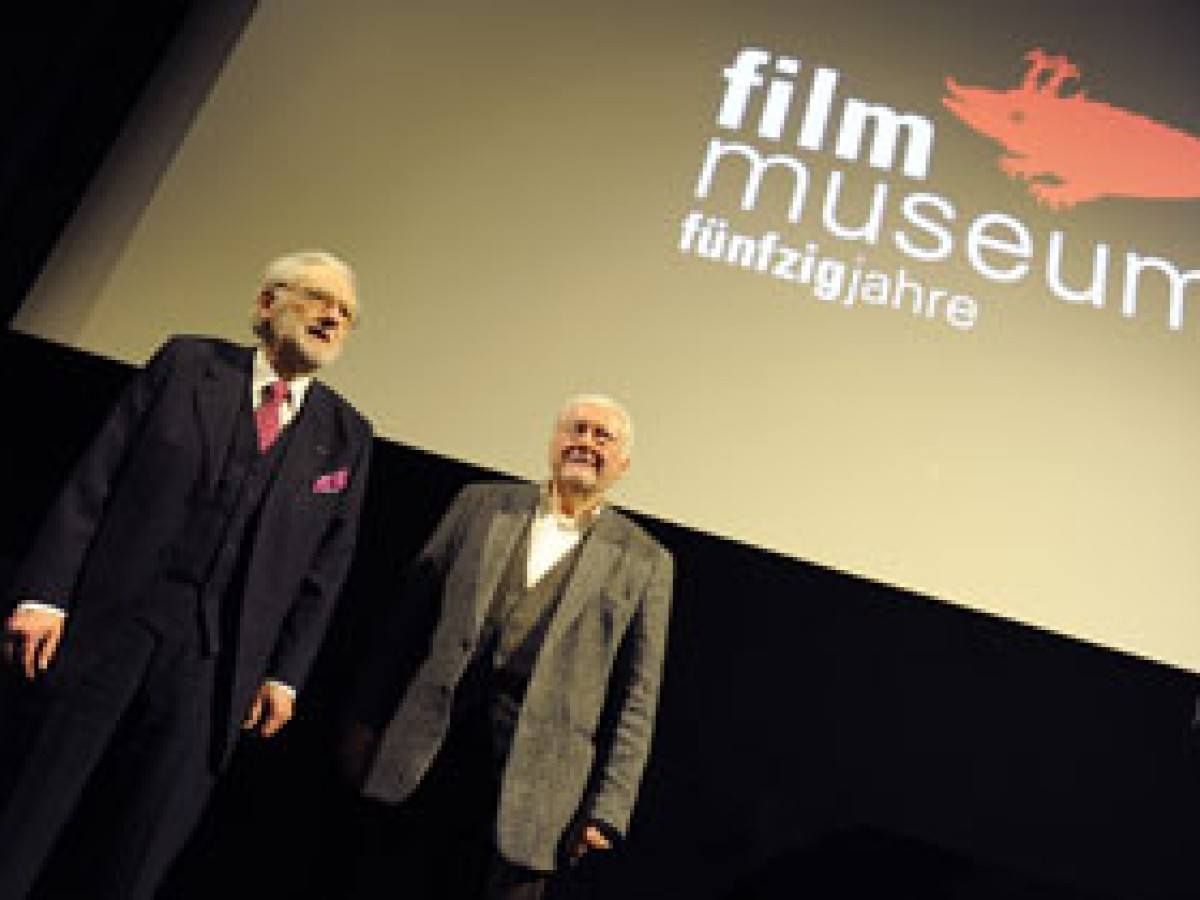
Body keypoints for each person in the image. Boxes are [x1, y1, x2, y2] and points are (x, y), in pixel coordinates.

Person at [0, 250, 373, 900]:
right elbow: (97, 477)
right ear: (267, 304)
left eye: (345, 312)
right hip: (111, 623)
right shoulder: (186, 365)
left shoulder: (346, 435)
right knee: (31, 806)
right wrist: (45, 595)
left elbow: (326, 569)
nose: (332, 317)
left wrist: (284, 674)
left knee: (140, 850)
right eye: (318, 298)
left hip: (217, 662)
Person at [345, 395, 674, 900]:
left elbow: (638, 696)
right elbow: (404, 622)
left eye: (601, 437)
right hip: (427, 755)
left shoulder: (646, 560)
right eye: (575, 430)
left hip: (541, 791)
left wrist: (609, 806)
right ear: (552, 442)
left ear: (623, 464)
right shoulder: (479, 505)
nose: (585, 443)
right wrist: (366, 718)